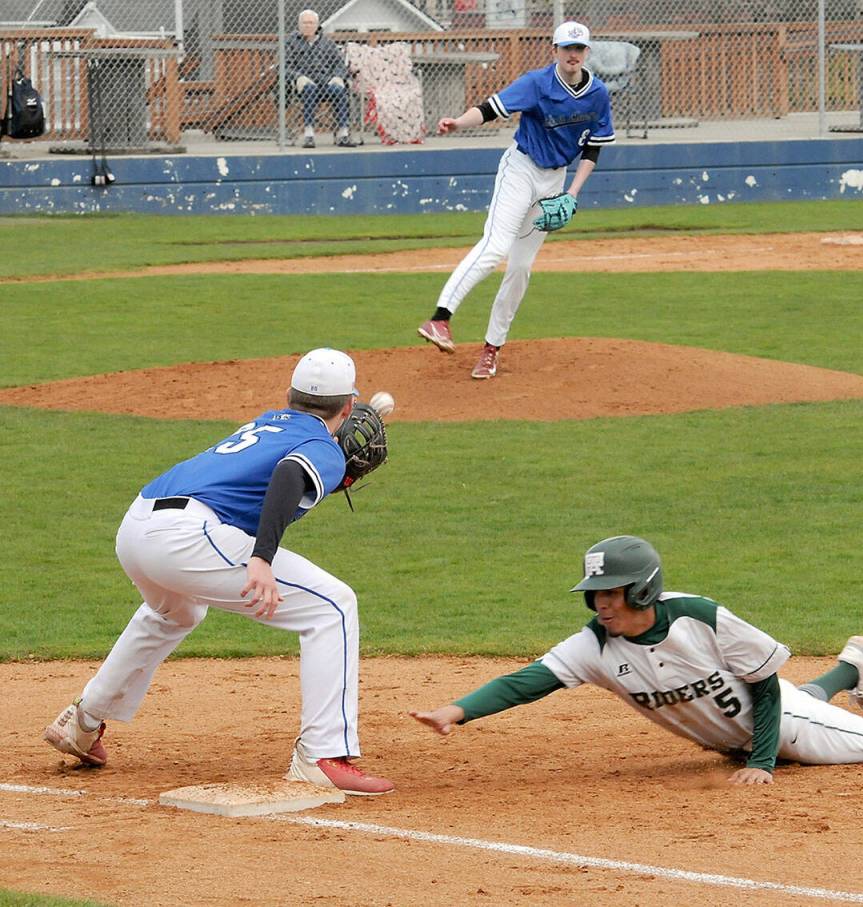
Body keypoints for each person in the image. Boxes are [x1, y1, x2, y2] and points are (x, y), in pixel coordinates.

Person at [44, 348, 394, 795]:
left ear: (290, 395)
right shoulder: (320, 447)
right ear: (348, 408)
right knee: (332, 606)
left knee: (178, 613)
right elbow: (290, 474)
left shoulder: (268, 423)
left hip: (137, 525)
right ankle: (322, 756)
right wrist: (262, 558)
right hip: (184, 537)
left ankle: (83, 720)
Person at [412, 536, 863, 783]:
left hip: (779, 726)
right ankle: (852, 669)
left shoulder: (701, 617)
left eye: (610, 594)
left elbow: (766, 686)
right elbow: (528, 683)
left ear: (643, 591)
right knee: (787, 703)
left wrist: (761, 762)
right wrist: (459, 710)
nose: (600, 606)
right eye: (594, 596)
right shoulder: (595, 645)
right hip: (756, 723)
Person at [417, 21, 614, 380]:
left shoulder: (597, 94)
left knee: (521, 267)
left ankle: (491, 349)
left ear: (586, 52)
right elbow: (492, 108)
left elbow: (593, 147)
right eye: (566, 48)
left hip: (555, 180)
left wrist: (571, 195)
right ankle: (440, 319)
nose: (572, 54)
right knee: (495, 246)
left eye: (579, 48)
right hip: (520, 170)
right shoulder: (537, 83)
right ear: (554, 50)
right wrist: (459, 123)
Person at [285, 9, 358, 148]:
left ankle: (343, 134)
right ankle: (309, 134)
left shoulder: (327, 43)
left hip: (326, 81)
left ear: (317, 25)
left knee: (339, 90)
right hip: (305, 82)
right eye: (305, 23)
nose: (308, 26)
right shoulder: (290, 43)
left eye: (311, 23)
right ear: (299, 25)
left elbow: (339, 64)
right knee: (309, 89)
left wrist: (337, 77)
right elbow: (284, 66)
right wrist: (298, 77)